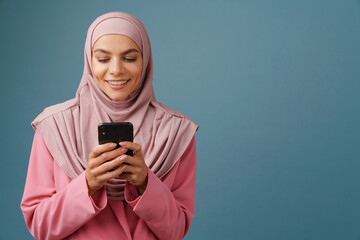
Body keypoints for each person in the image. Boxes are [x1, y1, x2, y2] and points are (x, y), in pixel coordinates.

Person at [20, 12, 198, 240]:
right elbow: (40, 227)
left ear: (146, 61)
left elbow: (176, 231)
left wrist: (146, 182)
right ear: (89, 61)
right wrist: (88, 183)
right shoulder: (55, 126)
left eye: (130, 58)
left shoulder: (176, 132)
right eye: (103, 59)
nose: (116, 70)